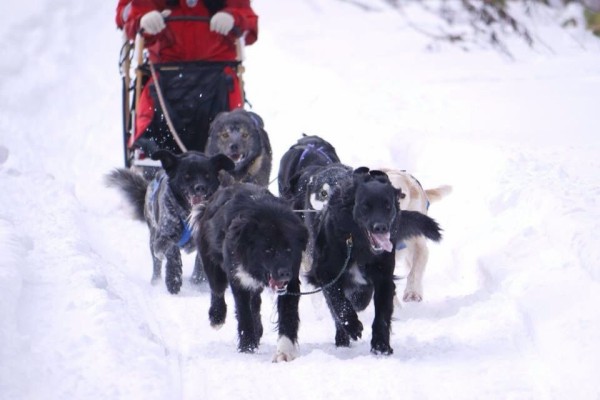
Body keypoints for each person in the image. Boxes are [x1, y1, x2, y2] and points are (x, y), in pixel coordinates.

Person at [116, 0, 258, 163]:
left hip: (218, 73)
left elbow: (249, 21)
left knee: (231, 116)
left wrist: (234, 18)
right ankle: (149, 158)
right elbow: (125, 15)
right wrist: (142, 19)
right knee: (152, 109)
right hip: (164, 72)